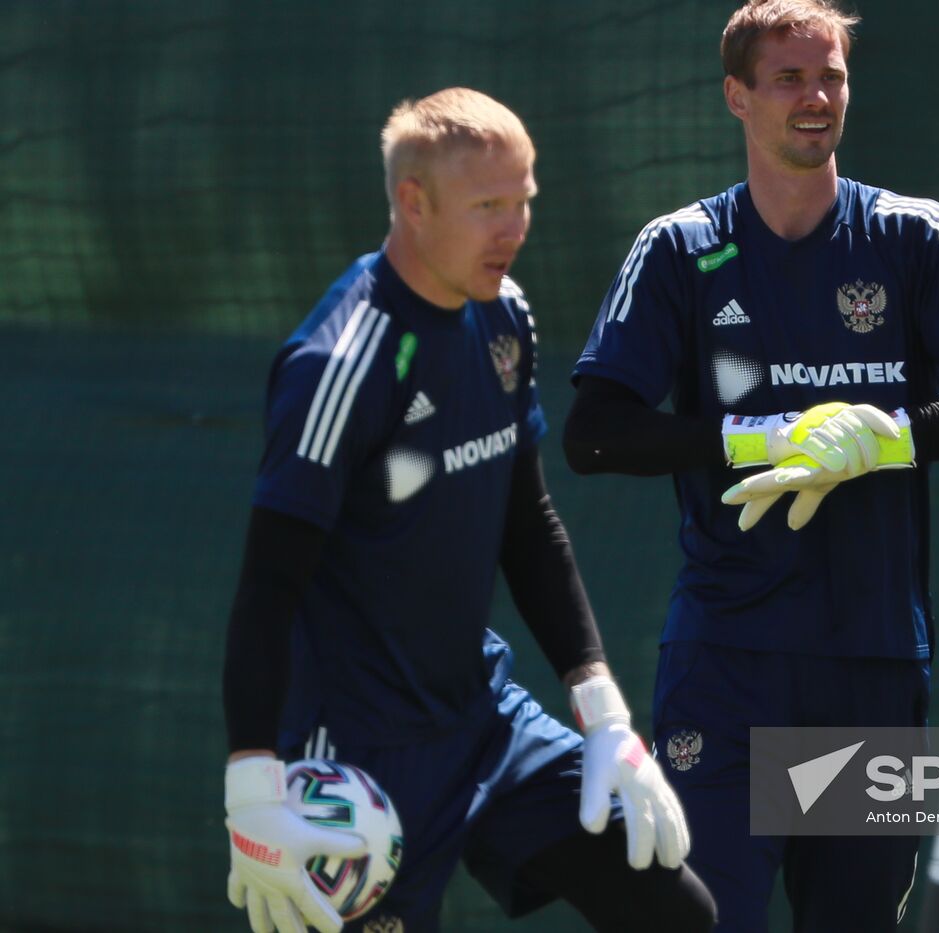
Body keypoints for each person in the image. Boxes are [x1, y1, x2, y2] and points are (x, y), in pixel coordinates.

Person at [563, 2, 939, 930]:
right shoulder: (680, 248)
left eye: (832, 77)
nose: (816, 98)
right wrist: (763, 438)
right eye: (789, 78)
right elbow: (595, 432)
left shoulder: (910, 234)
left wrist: (883, 436)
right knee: (702, 917)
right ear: (736, 96)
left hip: (870, 665)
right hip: (727, 667)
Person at [220, 87, 716, 933]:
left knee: (672, 909)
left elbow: (528, 524)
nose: (514, 229)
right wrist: (253, 784)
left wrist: (603, 714)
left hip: (485, 723)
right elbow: (269, 585)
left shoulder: (505, 318)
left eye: (524, 201)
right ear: (413, 202)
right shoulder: (340, 362)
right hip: (360, 759)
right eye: (488, 206)